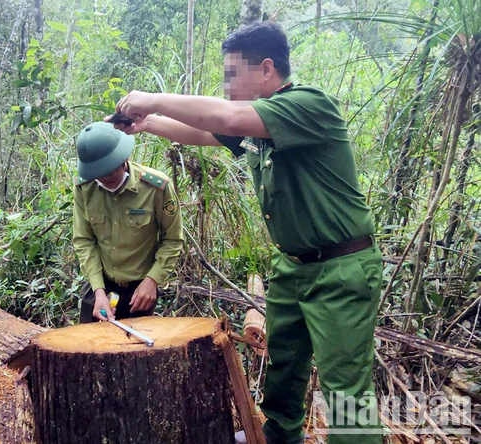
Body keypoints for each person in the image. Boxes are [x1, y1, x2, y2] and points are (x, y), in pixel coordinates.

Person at [108, 21, 383, 444]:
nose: (227, 83)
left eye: (233, 74)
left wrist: (149, 98)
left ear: (267, 69)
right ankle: (279, 439)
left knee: (347, 390)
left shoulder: (309, 105)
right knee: (284, 369)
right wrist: (148, 124)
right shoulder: (259, 127)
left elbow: (226, 115)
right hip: (292, 268)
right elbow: (205, 132)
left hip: (341, 270)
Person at [72, 121, 184, 323]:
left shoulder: (155, 187)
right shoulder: (84, 188)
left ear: (125, 158)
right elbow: (84, 241)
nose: (104, 179)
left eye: (109, 172)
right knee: (87, 348)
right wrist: (98, 291)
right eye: (98, 175)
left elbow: (173, 240)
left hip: (139, 292)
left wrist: (152, 281)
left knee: (136, 350)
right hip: (100, 286)